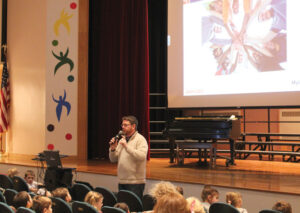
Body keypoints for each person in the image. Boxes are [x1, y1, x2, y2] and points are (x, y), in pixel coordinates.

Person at [109, 115, 148, 199]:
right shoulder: (122, 140)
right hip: (122, 180)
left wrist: (126, 146)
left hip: (135, 183)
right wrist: (112, 149)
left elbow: (142, 156)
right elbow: (113, 159)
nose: (123, 127)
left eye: (126, 125)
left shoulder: (140, 139)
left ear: (133, 126)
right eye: (122, 125)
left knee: (133, 209)